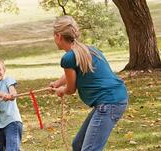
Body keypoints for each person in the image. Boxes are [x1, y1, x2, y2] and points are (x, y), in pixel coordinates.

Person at [50, 15, 128, 151]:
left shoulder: (68, 57)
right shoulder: (88, 49)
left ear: (58, 36)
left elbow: (70, 89)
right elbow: (73, 71)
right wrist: (57, 83)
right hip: (115, 99)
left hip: (109, 103)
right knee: (78, 145)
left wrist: (61, 90)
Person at [0, 58, 23, 151]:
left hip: (12, 121)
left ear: (4, 70)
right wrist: (4, 95)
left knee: (12, 148)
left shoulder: (8, 80)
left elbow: (12, 90)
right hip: (1, 125)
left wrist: (11, 94)